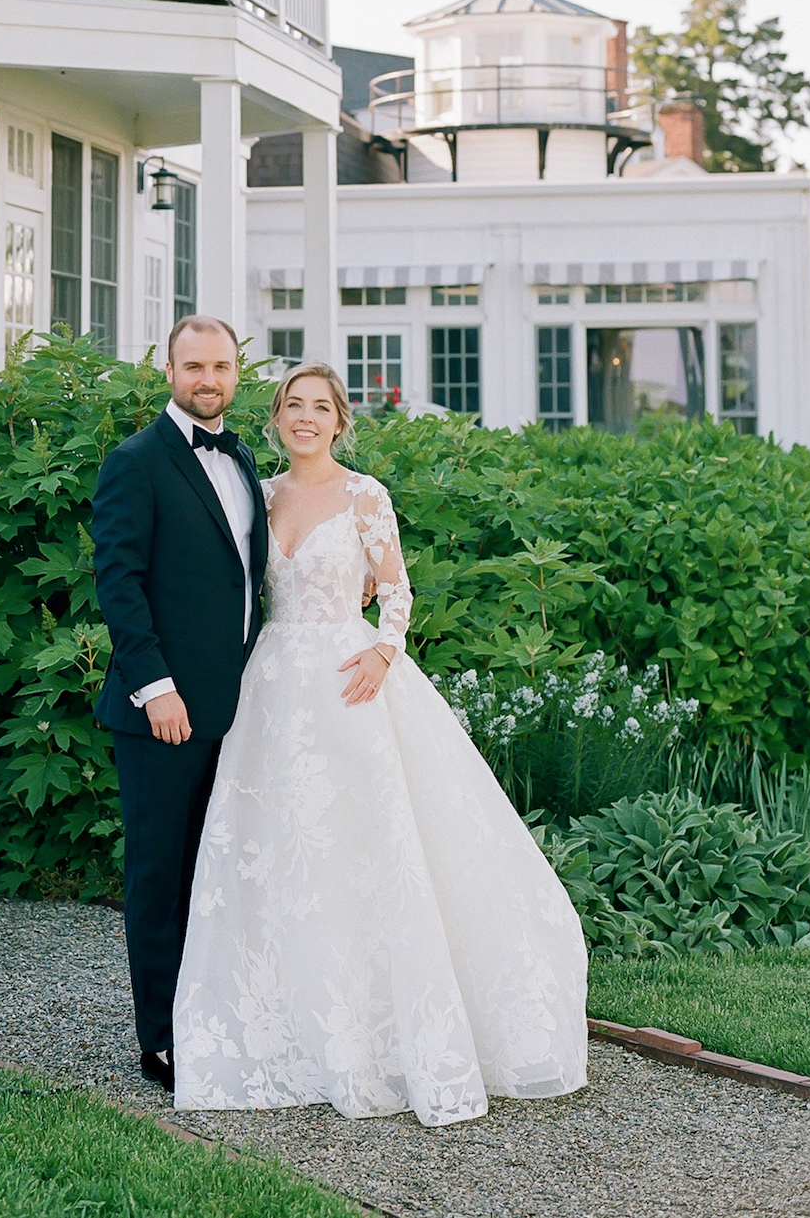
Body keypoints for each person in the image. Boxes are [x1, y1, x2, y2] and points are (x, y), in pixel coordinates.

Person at [172, 363, 589, 1125]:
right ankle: (288, 1029)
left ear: (339, 421)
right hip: (272, 686)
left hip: (349, 679)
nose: (305, 417)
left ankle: (376, 1034)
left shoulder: (366, 495)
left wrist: (382, 652)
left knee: (358, 846)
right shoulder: (258, 496)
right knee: (276, 850)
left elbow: (395, 589)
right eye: (293, 405)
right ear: (276, 419)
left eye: (319, 407)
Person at [91, 314, 267, 1092]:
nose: (208, 379)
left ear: (236, 373)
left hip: (236, 709)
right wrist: (155, 687)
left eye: (221, 366)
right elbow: (119, 581)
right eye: (193, 365)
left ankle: (212, 1019)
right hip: (161, 713)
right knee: (159, 876)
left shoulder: (244, 457)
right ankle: (160, 1039)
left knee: (215, 872)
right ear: (168, 370)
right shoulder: (136, 461)